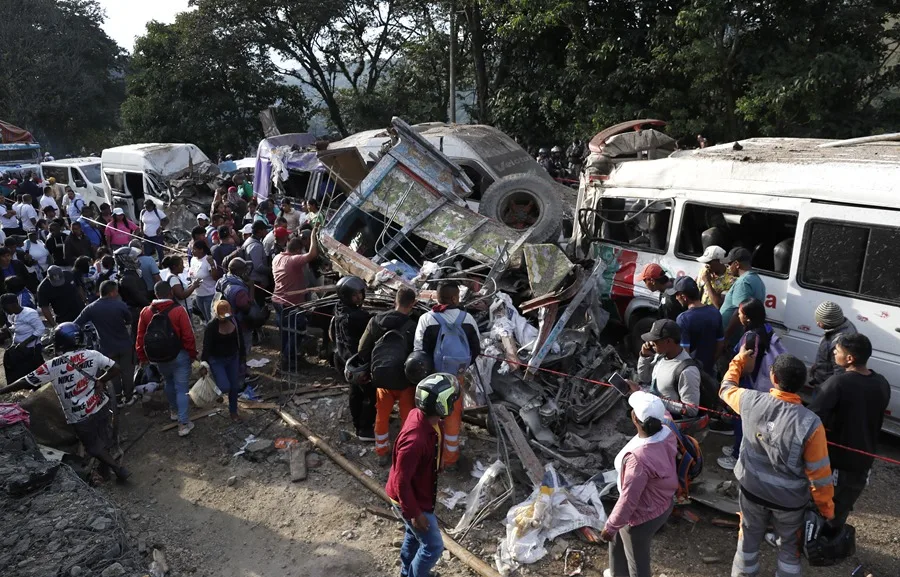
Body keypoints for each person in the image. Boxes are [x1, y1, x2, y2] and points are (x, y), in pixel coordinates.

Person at [719, 348, 834, 577]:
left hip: (752, 491)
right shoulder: (811, 423)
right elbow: (819, 474)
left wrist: (739, 360)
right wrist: (826, 510)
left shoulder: (750, 400)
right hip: (789, 502)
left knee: (747, 541)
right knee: (789, 549)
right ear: (802, 383)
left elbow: (725, 388)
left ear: (773, 377)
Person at [0, 323, 130, 481]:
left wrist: (2, 391)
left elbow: (25, 382)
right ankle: (105, 469)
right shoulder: (93, 354)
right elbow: (116, 368)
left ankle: (118, 469)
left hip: (79, 414)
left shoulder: (53, 365)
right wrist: (101, 380)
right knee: (102, 437)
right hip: (100, 404)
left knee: (92, 446)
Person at [809, 333, 891, 528]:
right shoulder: (881, 382)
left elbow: (812, 418)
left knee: (820, 508)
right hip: (864, 461)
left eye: (837, 351)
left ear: (849, 358)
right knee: (841, 509)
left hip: (837, 462)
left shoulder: (838, 383)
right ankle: (833, 539)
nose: (833, 353)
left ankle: (814, 540)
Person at [385, 373, 459, 577]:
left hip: (417, 491)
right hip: (411, 498)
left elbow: (436, 434)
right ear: (443, 406)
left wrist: (437, 459)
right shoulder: (414, 441)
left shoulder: (423, 417)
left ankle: (406, 572)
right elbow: (402, 483)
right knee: (433, 547)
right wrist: (415, 514)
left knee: (413, 535)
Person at [600, 391, 677, 577]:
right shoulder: (668, 429)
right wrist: (637, 390)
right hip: (663, 500)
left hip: (642, 515)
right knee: (618, 540)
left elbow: (629, 500)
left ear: (634, 418)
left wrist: (610, 527)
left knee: (637, 562)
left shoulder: (639, 460)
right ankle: (618, 573)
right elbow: (664, 413)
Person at [414, 281, 481, 469]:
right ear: (454, 298)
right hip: (455, 378)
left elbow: (419, 351)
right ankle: (450, 458)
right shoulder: (468, 319)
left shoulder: (427, 319)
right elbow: (476, 349)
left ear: (437, 297)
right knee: (452, 414)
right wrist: (461, 368)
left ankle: (429, 455)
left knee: (430, 414)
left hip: (431, 378)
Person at [717, 298, 788, 468]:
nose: (738, 316)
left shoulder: (750, 337)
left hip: (749, 383)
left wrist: (735, 370)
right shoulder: (766, 328)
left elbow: (748, 367)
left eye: (740, 313)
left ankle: (737, 456)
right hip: (760, 382)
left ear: (748, 318)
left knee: (742, 420)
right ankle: (738, 448)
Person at [358, 286, 418, 465]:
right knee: (407, 418)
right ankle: (405, 453)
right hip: (405, 381)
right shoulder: (413, 326)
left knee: (382, 415)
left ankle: (382, 451)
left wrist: (374, 366)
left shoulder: (375, 321)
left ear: (394, 301)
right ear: (413, 304)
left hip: (382, 379)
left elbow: (362, 349)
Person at [136, 281, 198, 436]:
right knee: (182, 388)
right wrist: (192, 354)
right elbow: (188, 335)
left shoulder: (146, 312)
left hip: (159, 357)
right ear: (170, 292)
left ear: (155, 294)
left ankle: (174, 411)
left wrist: (143, 357)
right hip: (179, 355)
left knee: (168, 382)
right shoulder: (178, 310)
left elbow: (140, 337)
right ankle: (183, 424)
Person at [75, 280, 137, 406]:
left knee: (113, 373)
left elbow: (76, 324)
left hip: (107, 348)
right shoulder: (120, 305)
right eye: (116, 291)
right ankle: (129, 397)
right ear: (112, 293)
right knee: (127, 371)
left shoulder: (91, 308)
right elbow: (129, 320)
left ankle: (117, 399)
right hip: (125, 345)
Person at [332, 275, 374, 439]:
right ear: (346, 297)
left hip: (344, 358)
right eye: (354, 295)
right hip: (357, 363)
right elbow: (374, 323)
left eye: (360, 293)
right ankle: (364, 428)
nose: (359, 297)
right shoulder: (356, 317)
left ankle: (358, 422)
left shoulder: (339, 308)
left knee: (355, 392)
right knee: (369, 395)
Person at [633, 319, 701, 418]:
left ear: (668, 341)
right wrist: (644, 357)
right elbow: (645, 378)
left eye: (655, 341)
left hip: (669, 422)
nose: (650, 343)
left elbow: (691, 410)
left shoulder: (687, 371)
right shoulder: (660, 356)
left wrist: (655, 400)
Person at [272, 234, 319, 372]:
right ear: (298, 250)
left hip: (278, 300)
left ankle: (288, 357)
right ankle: (288, 360)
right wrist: (313, 236)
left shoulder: (277, 257)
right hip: (290, 303)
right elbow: (312, 254)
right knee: (297, 331)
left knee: (285, 331)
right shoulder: (293, 260)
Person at [215, 258, 258, 386]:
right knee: (242, 350)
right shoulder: (238, 290)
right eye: (244, 270)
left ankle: (239, 372)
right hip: (241, 324)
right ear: (239, 271)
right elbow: (248, 308)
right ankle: (240, 379)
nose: (246, 272)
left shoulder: (223, 280)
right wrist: (251, 287)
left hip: (227, 321)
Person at [201, 300, 246, 422]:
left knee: (234, 386)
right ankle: (217, 390)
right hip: (217, 360)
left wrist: (242, 358)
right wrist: (203, 364)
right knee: (225, 386)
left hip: (233, 357)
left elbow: (240, 340)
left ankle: (233, 411)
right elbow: (206, 347)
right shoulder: (211, 327)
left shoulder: (234, 322)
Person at [671, 276, 723, 377]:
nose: (676, 298)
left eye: (677, 295)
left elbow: (684, 353)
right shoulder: (715, 312)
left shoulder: (683, 319)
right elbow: (720, 344)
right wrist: (710, 364)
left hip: (692, 374)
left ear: (683, 296)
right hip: (710, 372)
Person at [720, 247, 766, 346]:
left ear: (736, 264)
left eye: (729, 264)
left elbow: (739, 312)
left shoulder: (743, 282)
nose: (728, 268)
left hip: (732, 339)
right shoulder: (756, 279)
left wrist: (726, 337)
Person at [808, 301, 857, 387]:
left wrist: (829, 390)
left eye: (820, 321)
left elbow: (840, 373)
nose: (817, 323)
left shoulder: (839, 343)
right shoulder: (843, 325)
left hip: (826, 385)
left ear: (830, 322)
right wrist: (816, 367)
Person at [0, 293, 46, 382]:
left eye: (5, 307)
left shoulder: (29, 313)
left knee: (33, 376)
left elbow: (40, 329)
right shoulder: (12, 315)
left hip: (31, 349)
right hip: (19, 348)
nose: (4, 310)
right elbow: (16, 327)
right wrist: (7, 330)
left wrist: (24, 343)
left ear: (13, 304)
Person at [187, 241, 216, 322]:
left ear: (201, 250)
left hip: (209, 294)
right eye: (191, 249)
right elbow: (191, 273)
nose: (192, 251)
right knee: (205, 317)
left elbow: (215, 277)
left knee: (211, 319)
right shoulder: (193, 259)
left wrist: (212, 265)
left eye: (194, 249)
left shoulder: (208, 260)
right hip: (198, 295)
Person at [242, 220, 271, 301]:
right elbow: (258, 267)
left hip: (252, 279)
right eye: (265, 229)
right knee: (259, 303)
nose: (266, 231)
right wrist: (271, 270)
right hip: (256, 281)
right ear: (259, 231)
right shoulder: (255, 246)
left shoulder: (249, 240)